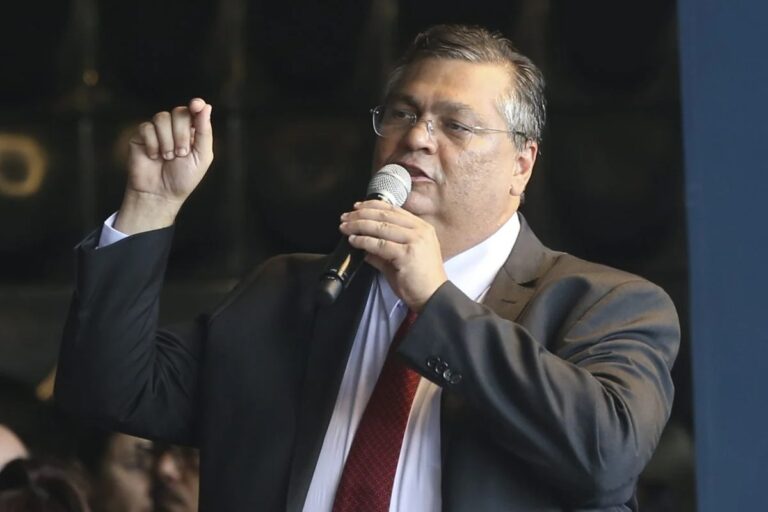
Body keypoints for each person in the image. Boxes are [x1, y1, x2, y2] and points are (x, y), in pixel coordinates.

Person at [55, 24, 680, 511]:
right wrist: (149, 207)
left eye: (456, 124)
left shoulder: (604, 304)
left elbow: (606, 459)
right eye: (403, 114)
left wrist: (435, 301)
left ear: (522, 164)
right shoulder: (288, 292)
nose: (418, 138)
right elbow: (108, 391)